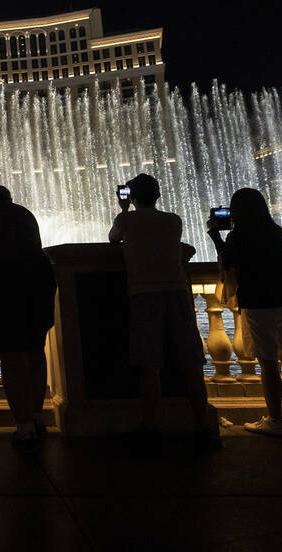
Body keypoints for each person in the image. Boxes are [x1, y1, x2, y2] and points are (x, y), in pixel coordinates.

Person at [109, 173, 216, 450]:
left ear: (131, 197)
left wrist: (124, 210)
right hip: (177, 293)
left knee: (149, 364)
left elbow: (113, 240)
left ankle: (151, 426)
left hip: (144, 295)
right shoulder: (173, 220)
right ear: (157, 195)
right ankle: (202, 424)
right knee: (190, 361)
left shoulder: (126, 220)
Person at [207, 188, 282, 438]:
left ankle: (275, 421)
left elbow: (227, 261)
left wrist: (215, 234)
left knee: (268, 363)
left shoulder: (240, 234)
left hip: (257, 302)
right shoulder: (275, 231)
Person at [0, 185, 56, 449]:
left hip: (5, 290)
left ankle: (24, 426)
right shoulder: (25, 214)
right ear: (10, 199)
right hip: (38, 287)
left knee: (10, 358)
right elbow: (37, 247)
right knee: (35, 352)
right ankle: (38, 417)